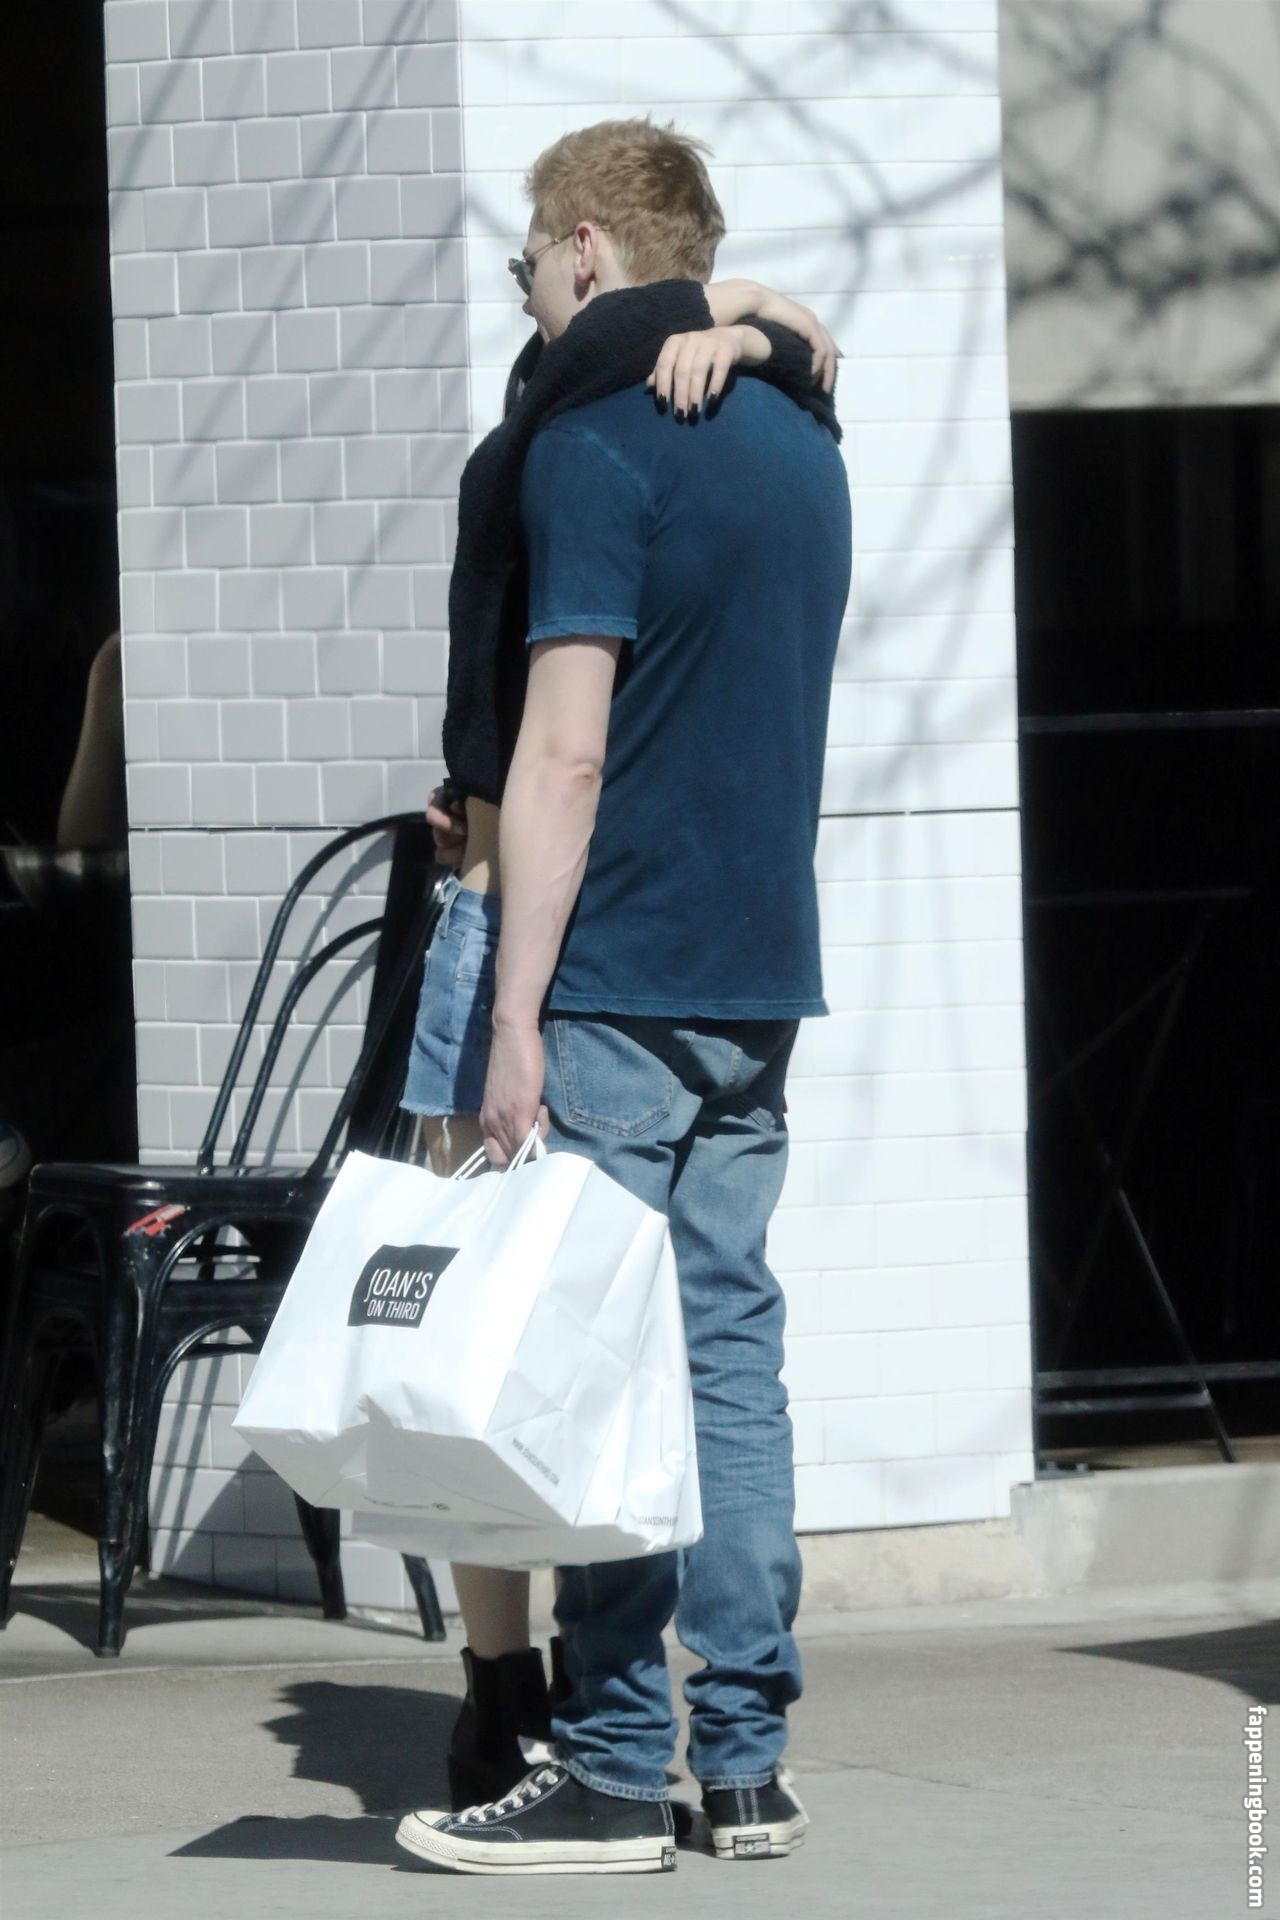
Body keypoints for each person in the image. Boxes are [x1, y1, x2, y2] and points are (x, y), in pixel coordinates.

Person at [395, 117, 851, 1876]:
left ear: (586, 246)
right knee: (729, 1357)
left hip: (620, 979)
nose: (525, 289)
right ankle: (743, 1764)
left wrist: (514, 1015)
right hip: (758, 979)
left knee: (595, 1368)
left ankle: (598, 1761)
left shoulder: (592, 448)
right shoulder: (805, 441)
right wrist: (765, 320)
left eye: (526, 259)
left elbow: (565, 751)